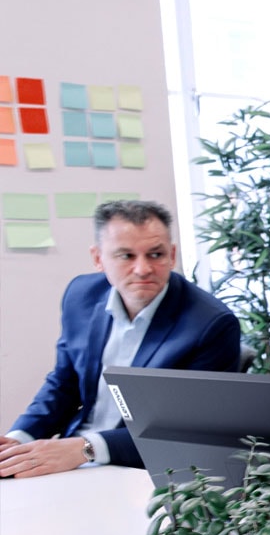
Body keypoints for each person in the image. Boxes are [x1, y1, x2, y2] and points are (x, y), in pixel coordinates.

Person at [1, 200, 240, 477]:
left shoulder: (211, 324)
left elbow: (190, 430)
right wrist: (19, 439)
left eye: (156, 254)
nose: (143, 269)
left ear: (172, 255)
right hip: (72, 458)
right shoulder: (80, 295)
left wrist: (86, 447)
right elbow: (63, 384)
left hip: (141, 468)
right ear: (98, 258)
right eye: (126, 256)